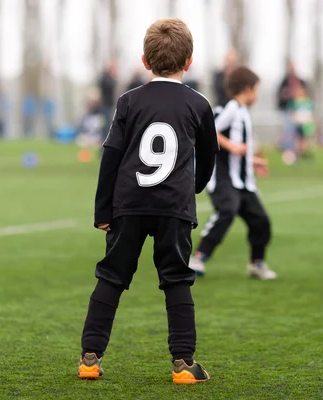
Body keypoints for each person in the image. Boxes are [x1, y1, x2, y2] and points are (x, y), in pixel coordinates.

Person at [78, 18, 219, 384]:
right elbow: (208, 156)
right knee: (176, 279)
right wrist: (196, 189)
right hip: (174, 207)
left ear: (144, 60)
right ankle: (184, 365)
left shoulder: (128, 101)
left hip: (128, 204)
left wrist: (102, 210)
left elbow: (110, 156)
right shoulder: (199, 104)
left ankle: (89, 360)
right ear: (189, 61)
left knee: (111, 276)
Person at [189, 66, 277, 280]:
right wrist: (232, 146)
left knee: (261, 221)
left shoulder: (244, 112)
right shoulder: (230, 108)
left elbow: (239, 148)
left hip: (244, 182)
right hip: (224, 178)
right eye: (256, 90)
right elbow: (209, 132)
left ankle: (257, 264)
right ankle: (197, 257)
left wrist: (253, 161)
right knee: (226, 211)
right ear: (247, 89)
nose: (256, 95)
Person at [285, 83, 316, 158]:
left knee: (304, 138)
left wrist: (311, 120)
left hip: (306, 124)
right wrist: (294, 119)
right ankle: (298, 152)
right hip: (297, 123)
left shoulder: (308, 102)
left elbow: (311, 112)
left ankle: (303, 152)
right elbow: (291, 112)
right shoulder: (294, 102)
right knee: (297, 138)